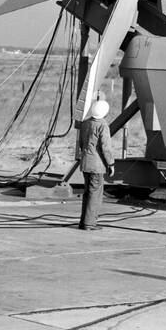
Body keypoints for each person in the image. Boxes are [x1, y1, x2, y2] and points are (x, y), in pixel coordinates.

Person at [76, 98, 114, 231]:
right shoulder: (103, 125)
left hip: (85, 162)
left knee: (87, 192)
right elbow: (106, 148)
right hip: (97, 165)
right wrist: (111, 163)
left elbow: (81, 143)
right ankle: (90, 223)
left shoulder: (86, 123)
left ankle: (84, 221)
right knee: (95, 194)